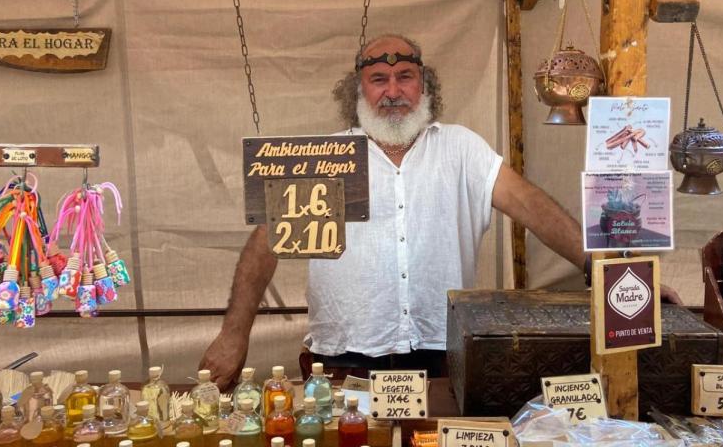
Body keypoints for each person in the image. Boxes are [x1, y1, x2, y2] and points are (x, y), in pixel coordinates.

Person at [200, 34, 681, 388]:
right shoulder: (327, 156)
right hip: (345, 361)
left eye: (405, 77)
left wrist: (614, 273)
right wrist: (232, 335)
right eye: (378, 79)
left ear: (424, 86)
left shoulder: (460, 149)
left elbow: (532, 207)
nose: (393, 90)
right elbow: (264, 248)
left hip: (442, 357)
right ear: (357, 91)